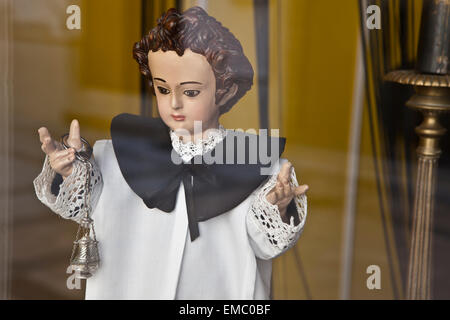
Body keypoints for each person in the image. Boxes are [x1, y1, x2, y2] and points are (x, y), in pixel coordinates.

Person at [33, 6, 309, 299]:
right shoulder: (123, 152)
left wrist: (274, 208)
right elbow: (85, 204)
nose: (174, 103)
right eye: (163, 90)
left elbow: (263, 244)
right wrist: (71, 173)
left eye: (190, 92)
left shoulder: (254, 163)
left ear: (225, 90)